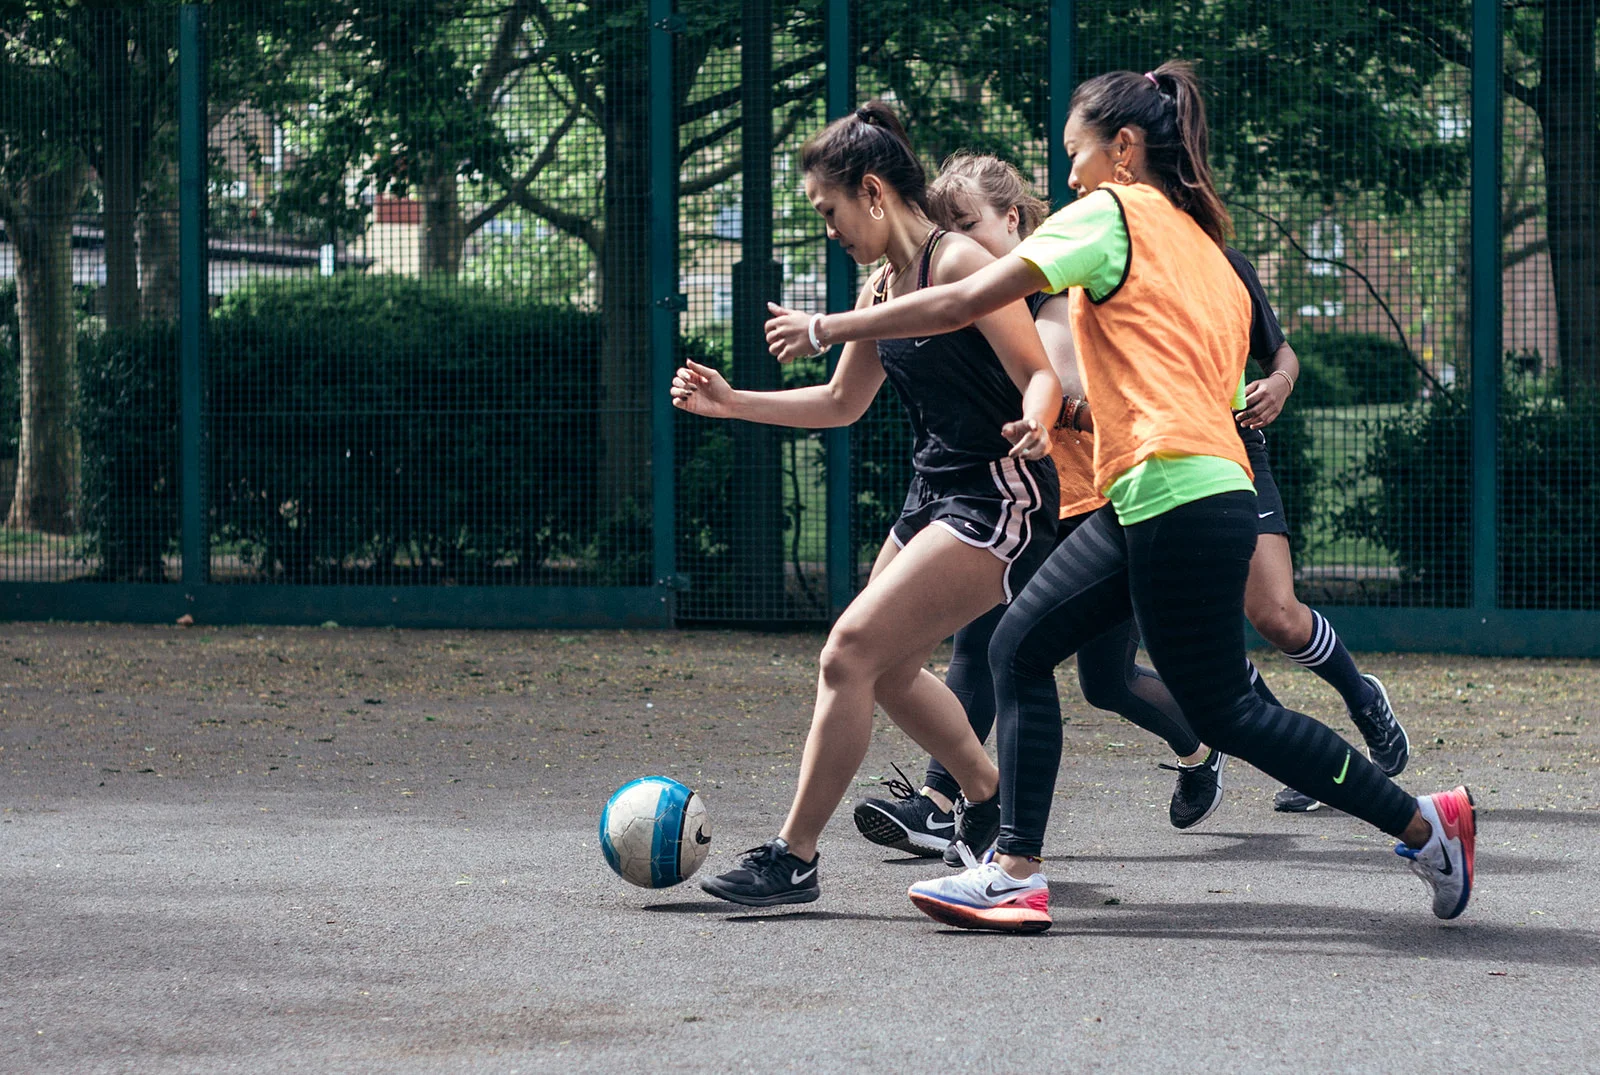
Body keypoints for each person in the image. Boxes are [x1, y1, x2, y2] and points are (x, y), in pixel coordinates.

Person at [765, 63, 1476, 932]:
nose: (1067, 176)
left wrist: (826, 326)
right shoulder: (1203, 244)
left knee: (1225, 710)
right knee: (1025, 649)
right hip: (1174, 490)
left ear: (1124, 148)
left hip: (1175, 492)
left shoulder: (1111, 214)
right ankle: (1014, 868)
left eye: (1076, 153)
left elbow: (964, 301)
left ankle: (1423, 822)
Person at [674, 101, 1063, 908]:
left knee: (846, 651)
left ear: (874, 192)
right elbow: (842, 402)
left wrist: (1037, 416)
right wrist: (733, 402)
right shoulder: (883, 282)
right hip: (934, 493)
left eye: (830, 211)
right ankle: (986, 798)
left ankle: (793, 858)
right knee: (885, 671)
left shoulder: (959, 261)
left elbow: (1038, 369)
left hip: (999, 493)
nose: (830, 230)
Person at [852, 152, 1225, 860]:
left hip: (1089, 506)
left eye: (968, 224)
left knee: (1106, 681)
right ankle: (943, 801)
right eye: (946, 226)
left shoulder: (1052, 293)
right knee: (982, 642)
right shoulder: (953, 291)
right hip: (1013, 506)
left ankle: (1201, 744)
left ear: (1014, 220)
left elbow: (1052, 380)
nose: (954, 240)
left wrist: (1049, 409)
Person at [1224, 250, 1411, 811]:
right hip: (1154, 464)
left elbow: (1280, 351)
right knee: (1204, 645)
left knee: (1277, 616)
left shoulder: (1222, 263)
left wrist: (1280, 382)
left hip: (1234, 452)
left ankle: (1362, 697)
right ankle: (1306, 761)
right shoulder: (1110, 262)